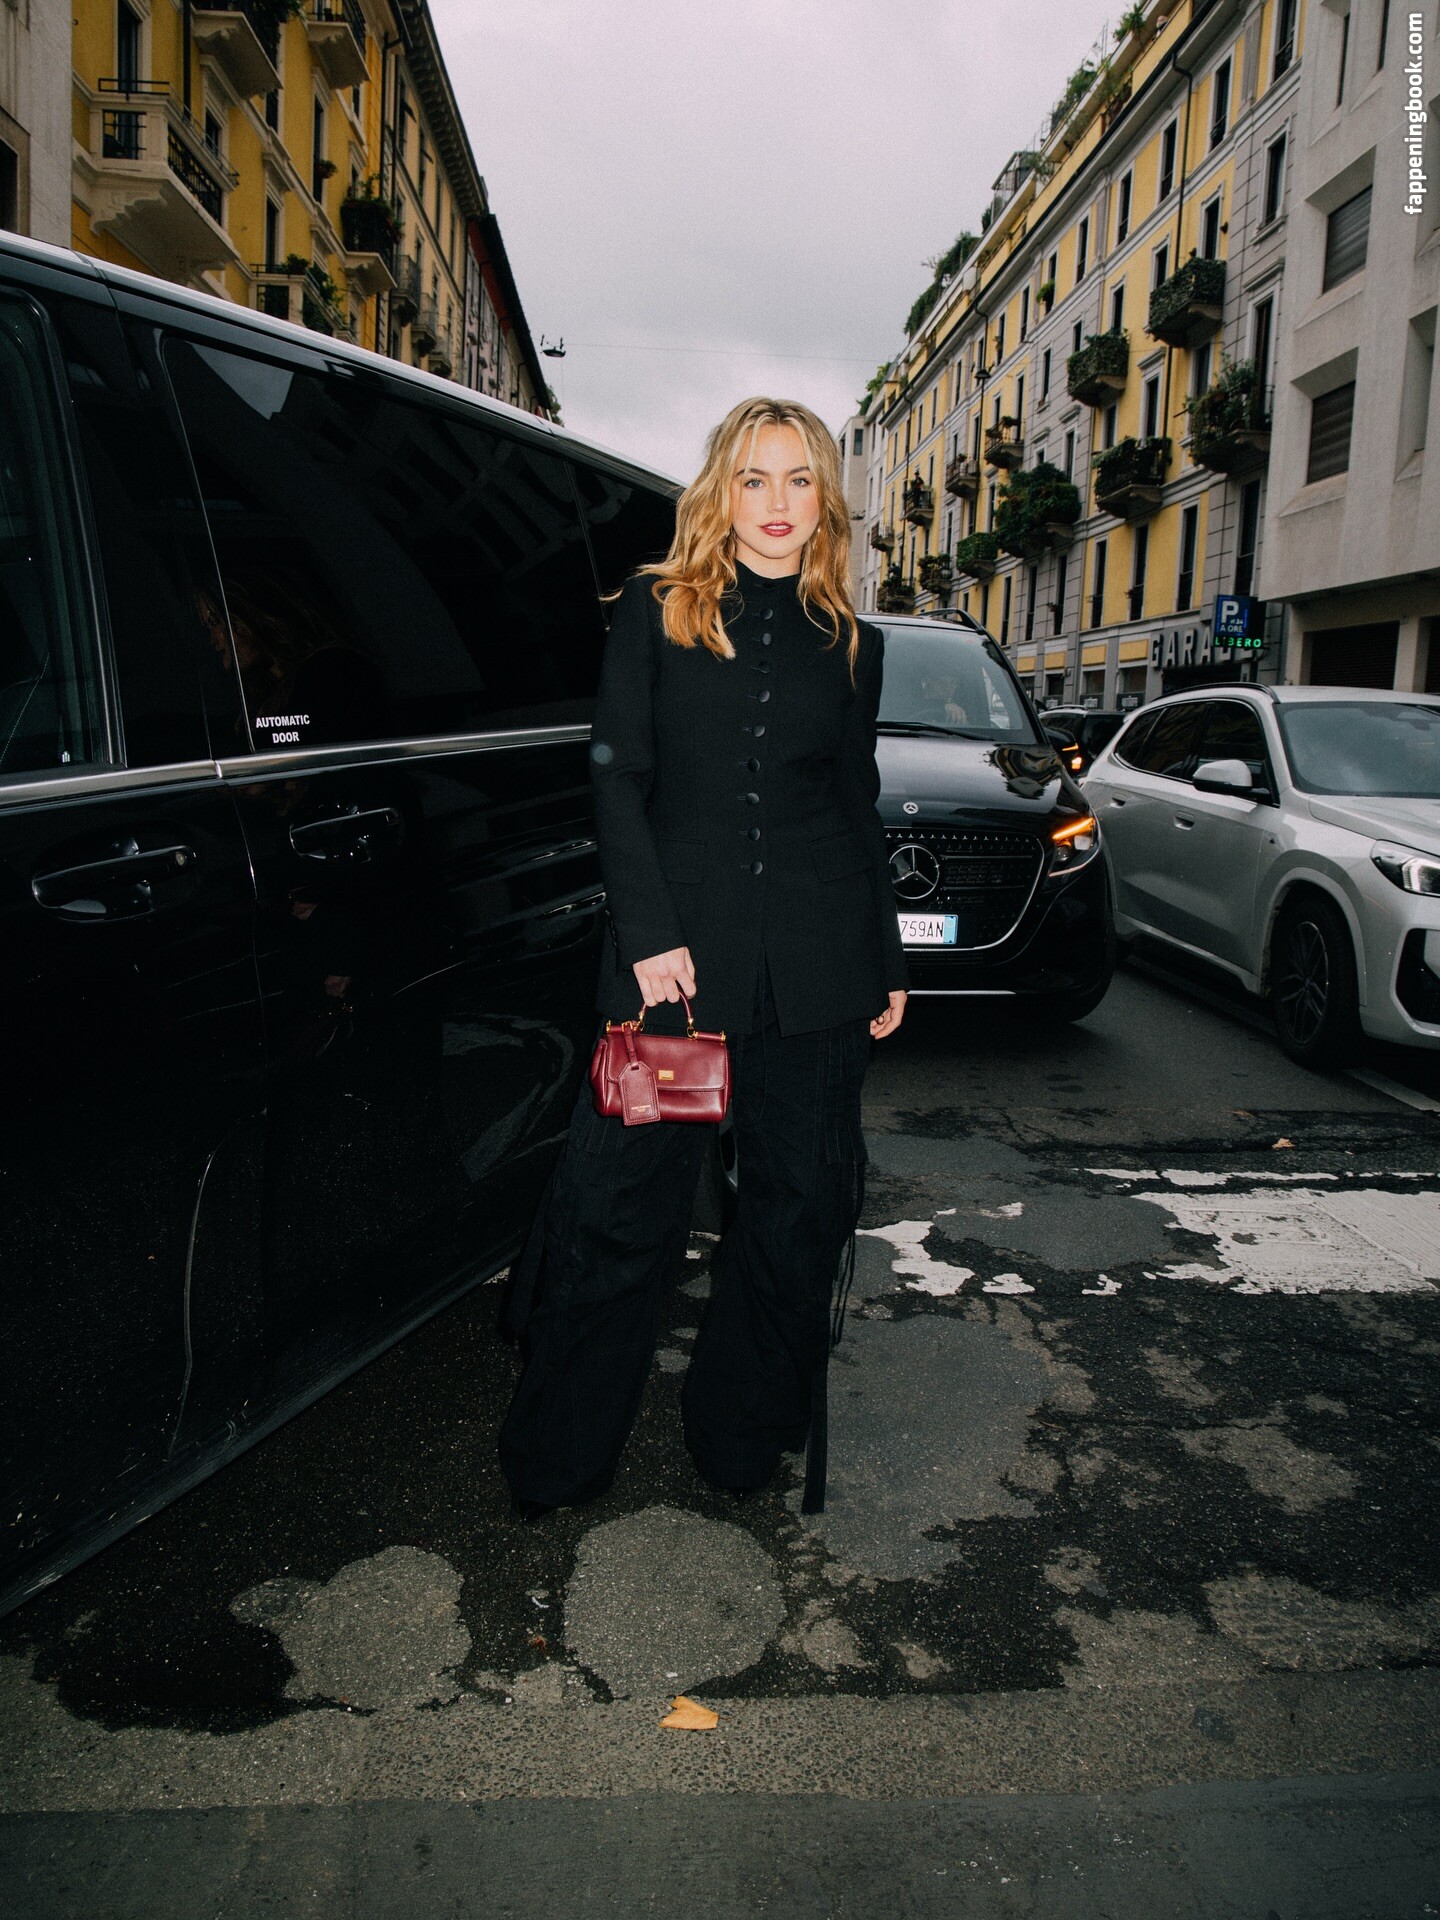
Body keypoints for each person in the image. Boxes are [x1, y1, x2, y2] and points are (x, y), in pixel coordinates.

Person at [498, 396, 908, 1520]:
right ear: (721, 493)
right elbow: (617, 775)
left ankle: (741, 1433)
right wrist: (649, 935)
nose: (777, 503)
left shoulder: (853, 641)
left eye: (799, 480)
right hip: (675, 983)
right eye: (754, 479)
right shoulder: (658, 609)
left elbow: (856, 803)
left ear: (825, 501)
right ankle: (561, 1453)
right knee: (620, 1210)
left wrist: (883, 958)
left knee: (796, 1211)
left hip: (818, 978)